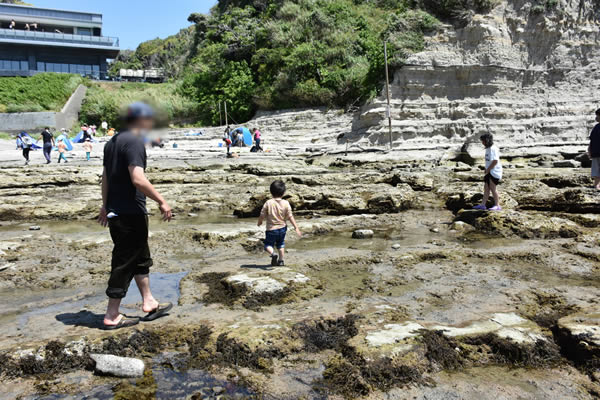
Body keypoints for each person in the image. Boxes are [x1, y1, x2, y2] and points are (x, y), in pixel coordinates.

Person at [97, 102, 173, 330]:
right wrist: (161, 201)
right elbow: (137, 179)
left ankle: (149, 302)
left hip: (119, 211)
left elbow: (106, 178)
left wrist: (104, 205)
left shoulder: (112, 142)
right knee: (124, 262)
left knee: (140, 258)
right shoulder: (133, 142)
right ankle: (112, 314)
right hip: (129, 214)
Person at [257, 180, 302, 266]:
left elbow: (262, 214)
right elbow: (290, 216)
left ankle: (273, 254)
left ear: (271, 192)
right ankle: (281, 261)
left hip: (271, 229)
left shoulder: (268, 203)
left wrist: (260, 222)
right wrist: (296, 227)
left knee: (268, 244)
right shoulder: (286, 203)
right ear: (284, 192)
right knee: (281, 244)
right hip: (282, 228)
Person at [473, 133, 502, 211]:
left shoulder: (493, 148)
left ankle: (497, 205)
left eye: (483, 141)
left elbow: (495, 161)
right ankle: (483, 205)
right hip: (489, 171)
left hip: (494, 171)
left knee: (493, 188)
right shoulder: (488, 149)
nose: (482, 142)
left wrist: (488, 169)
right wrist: (486, 169)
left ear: (487, 140)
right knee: (486, 188)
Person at [587, 108, 600, 190]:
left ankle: (597, 185)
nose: (596, 117)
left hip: (596, 151)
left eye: (598, 115)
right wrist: (589, 150)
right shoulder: (596, 127)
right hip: (596, 152)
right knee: (596, 169)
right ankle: (596, 185)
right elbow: (592, 140)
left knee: (596, 169)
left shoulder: (596, 127)